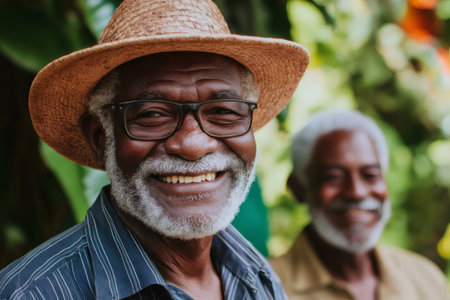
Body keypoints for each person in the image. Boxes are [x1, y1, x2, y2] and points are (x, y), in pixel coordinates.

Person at [0, 0, 310, 299]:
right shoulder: (32, 293)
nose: (192, 145)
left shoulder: (257, 278)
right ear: (100, 138)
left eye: (223, 112)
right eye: (152, 114)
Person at [270, 110, 450, 300]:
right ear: (297, 188)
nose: (357, 192)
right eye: (334, 177)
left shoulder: (424, 278)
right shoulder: (262, 287)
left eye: (370, 175)